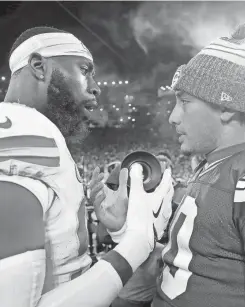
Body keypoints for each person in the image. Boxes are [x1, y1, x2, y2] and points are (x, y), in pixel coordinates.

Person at [91, 22, 245, 307]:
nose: (174, 117)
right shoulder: (213, 165)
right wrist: (125, 231)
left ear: (227, 106)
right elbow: (190, 264)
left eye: (184, 102)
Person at [0, 26, 174, 307]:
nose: (95, 86)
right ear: (38, 66)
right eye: (85, 69)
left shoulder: (39, 133)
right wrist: (135, 242)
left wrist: (117, 232)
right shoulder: (22, 133)